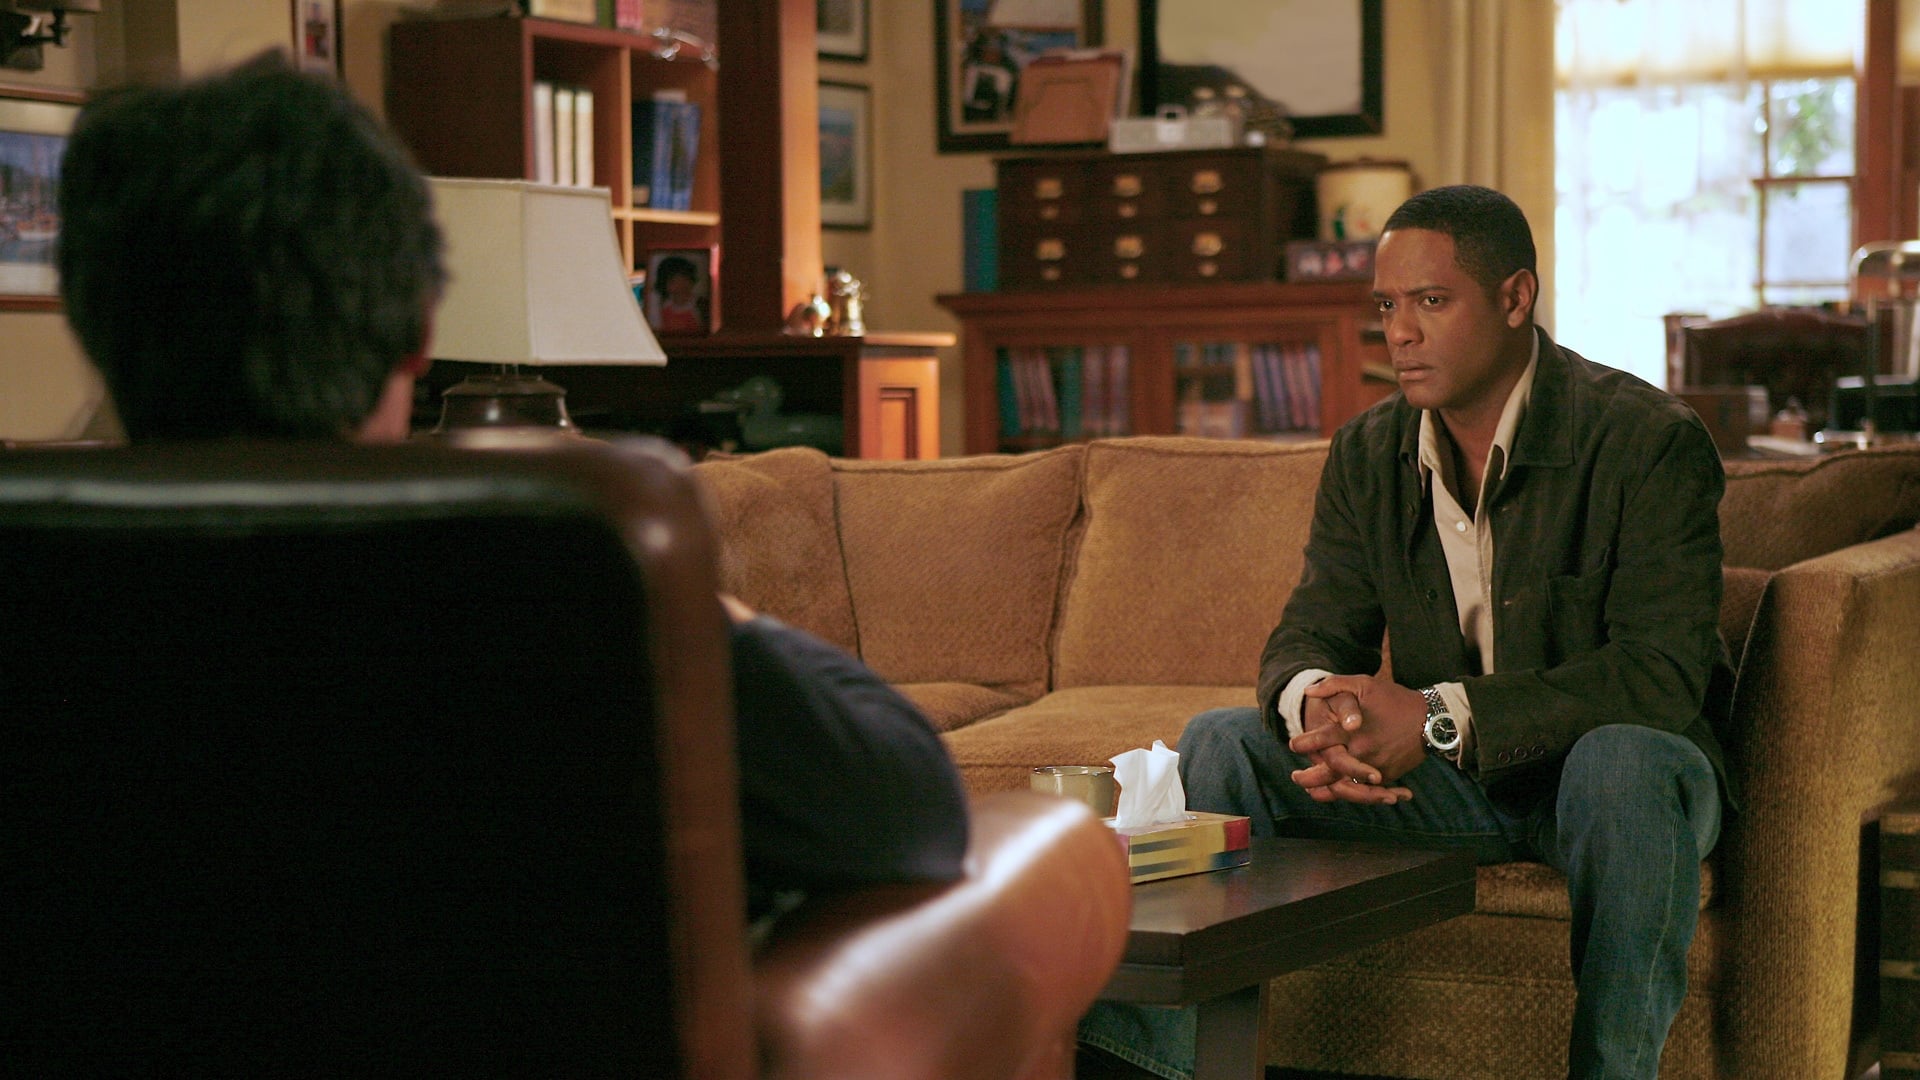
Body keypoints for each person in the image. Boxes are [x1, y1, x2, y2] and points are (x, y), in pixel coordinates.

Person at [55, 51, 969, 925]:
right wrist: (705, 609)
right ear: (419, 333)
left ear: (96, 323)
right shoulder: (562, 579)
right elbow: (908, 808)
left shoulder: (48, 592)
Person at [1082, 185, 1734, 1080]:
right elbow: (1312, 632)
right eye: (1387, 306)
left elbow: (1661, 675)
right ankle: (1150, 1069)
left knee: (1619, 759)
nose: (1400, 333)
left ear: (1515, 298)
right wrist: (1325, 709)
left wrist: (1432, 718)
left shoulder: (1646, 440)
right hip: (1455, 790)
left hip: (1619, 781)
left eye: (1431, 301)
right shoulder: (1367, 452)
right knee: (1220, 742)